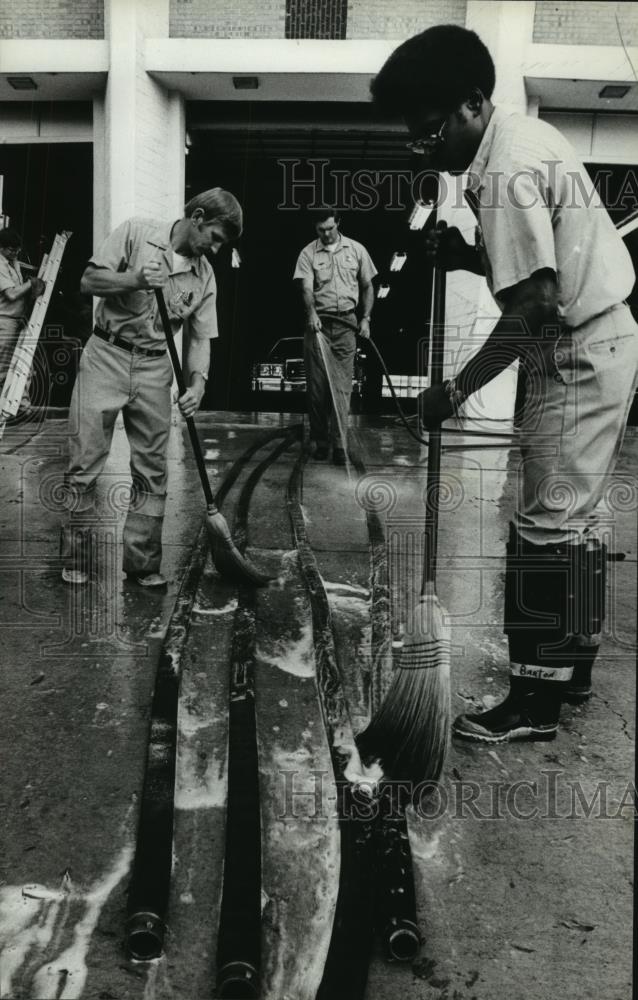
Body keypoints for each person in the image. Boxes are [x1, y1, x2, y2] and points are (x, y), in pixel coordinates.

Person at [371, 25, 638, 742]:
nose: (419, 148)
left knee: (543, 530)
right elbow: (533, 271)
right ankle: (571, 671)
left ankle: (535, 704)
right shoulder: (518, 142)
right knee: (573, 523)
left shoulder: (505, 171)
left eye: (428, 133)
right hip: (597, 337)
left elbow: (535, 309)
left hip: (576, 349)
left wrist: (453, 393)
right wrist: (464, 253)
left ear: (471, 104)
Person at [61, 188, 242, 588]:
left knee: (152, 470)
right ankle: (77, 557)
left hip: (156, 367)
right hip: (105, 355)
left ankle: (142, 564)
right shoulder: (136, 233)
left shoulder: (204, 276)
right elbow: (88, 280)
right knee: (84, 464)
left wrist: (197, 383)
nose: (213, 249)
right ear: (197, 217)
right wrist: (135, 279)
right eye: (214, 237)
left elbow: (199, 338)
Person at [293, 209, 377, 465]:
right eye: (321, 230)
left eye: (330, 228)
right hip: (317, 326)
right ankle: (320, 441)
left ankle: (340, 445)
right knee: (317, 391)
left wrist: (365, 318)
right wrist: (311, 313)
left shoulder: (357, 250)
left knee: (341, 390)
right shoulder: (308, 253)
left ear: (338, 223)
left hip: (346, 325)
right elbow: (306, 287)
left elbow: (367, 286)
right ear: (315, 229)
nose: (326, 234)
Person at [0, 227, 45, 414]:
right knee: (3, 367)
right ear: (1, 247)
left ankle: (21, 407)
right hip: (5, 321)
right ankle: (5, 410)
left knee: (24, 363)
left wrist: (18, 264)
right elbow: (11, 294)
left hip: (17, 320)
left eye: (17, 249)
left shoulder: (11, 262)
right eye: (12, 249)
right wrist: (31, 283)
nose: (16, 253)